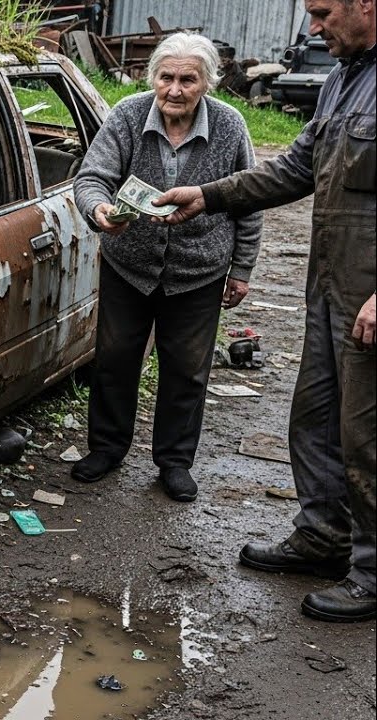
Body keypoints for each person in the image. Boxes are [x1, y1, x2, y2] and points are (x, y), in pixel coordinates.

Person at [156, 0, 375, 622]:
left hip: (371, 295)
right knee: (316, 418)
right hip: (331, 286)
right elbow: (295, 168)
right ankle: (324, 537)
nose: (313, 28)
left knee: (367, 434)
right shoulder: (343, 79)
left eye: (323, 12)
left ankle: (372, 572)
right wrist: (208, 195)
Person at [71, 32, 263, 502]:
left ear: (207, 83)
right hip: (129, 265)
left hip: (199, 272)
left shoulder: (229, 125)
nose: (174, 89)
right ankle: (107, 449)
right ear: (152, 77)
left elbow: (250, 200)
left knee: (187, 370)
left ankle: (175, 462)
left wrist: (241, 269)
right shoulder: (128, 115)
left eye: (188, 80)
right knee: (115, 359)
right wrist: (99, 210)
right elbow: (92, 177)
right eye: (166, 77)